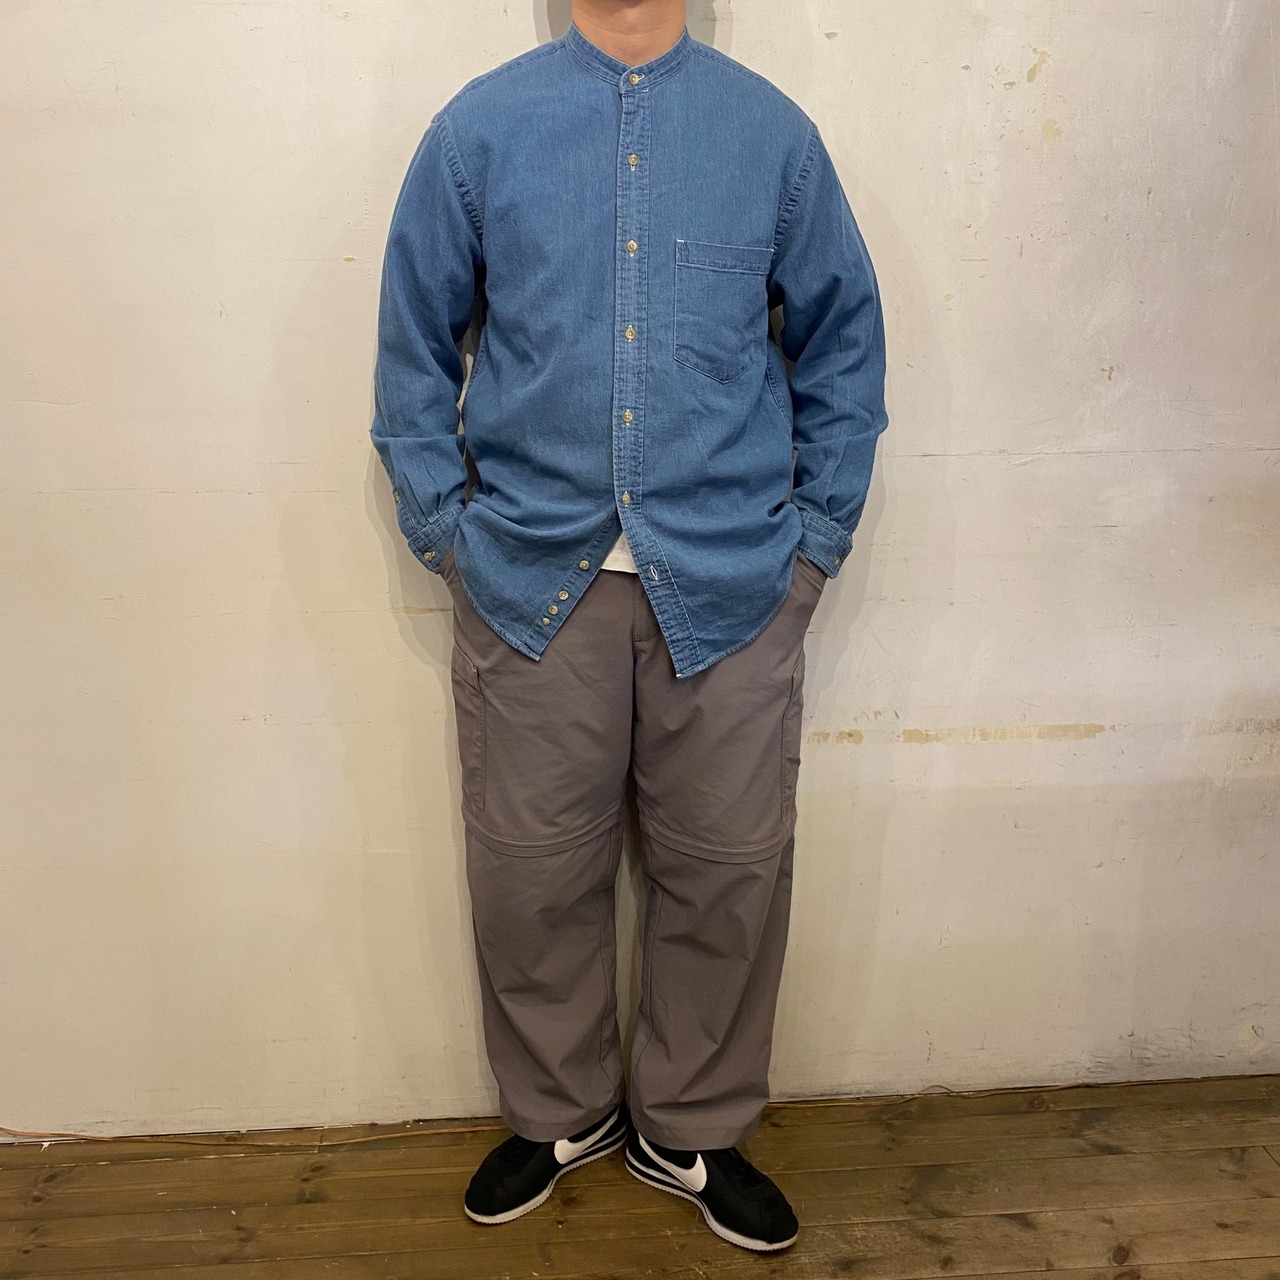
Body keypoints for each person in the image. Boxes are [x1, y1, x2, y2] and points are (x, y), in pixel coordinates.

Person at [369, 0, 887, 1254]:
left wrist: (814, 542)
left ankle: (689, 1126)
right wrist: (448, 534)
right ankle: (559, 1112)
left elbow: (842, 345)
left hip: (732, 578)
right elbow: (410, 350)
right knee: (530, 869)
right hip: (531, 580)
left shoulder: (771, 137)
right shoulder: (477, 133)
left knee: (727, 865)